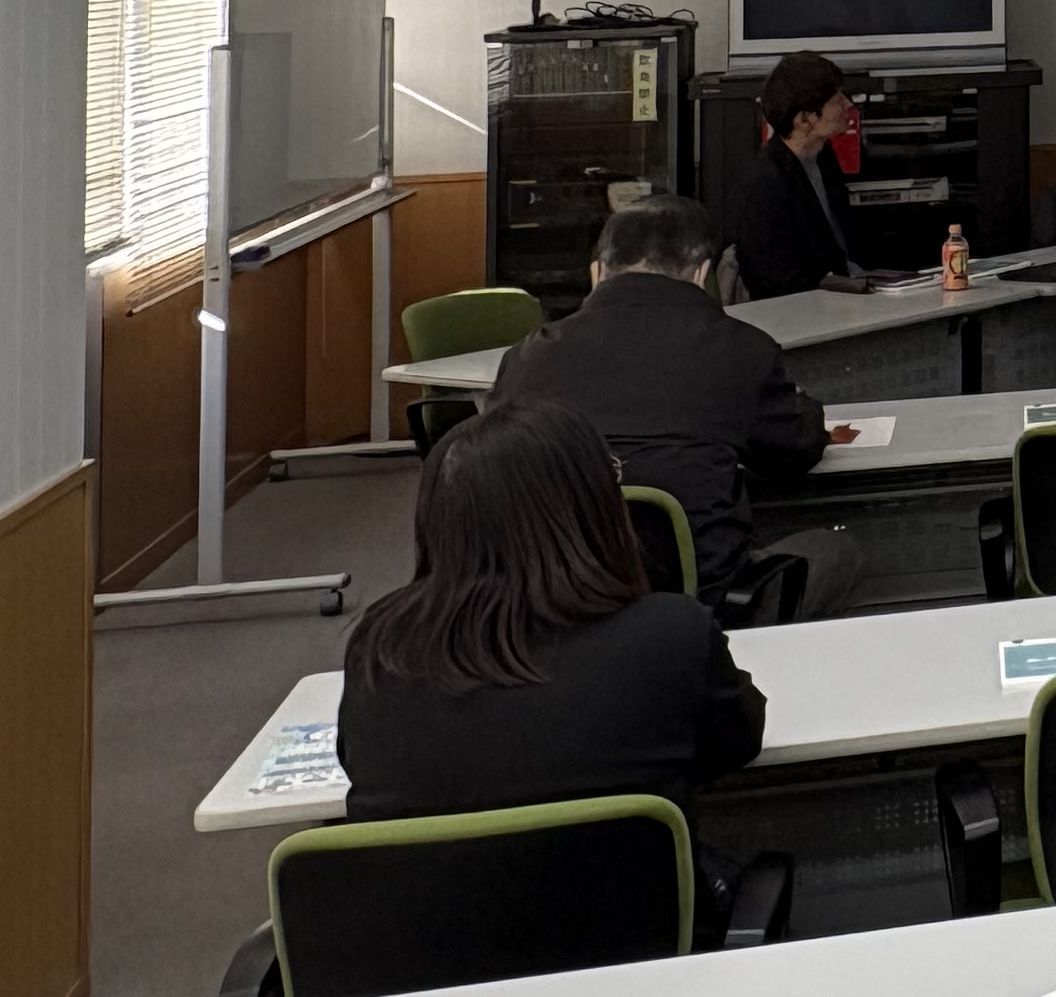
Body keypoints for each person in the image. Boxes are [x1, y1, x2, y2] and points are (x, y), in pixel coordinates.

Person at [335, 396, 766, 821]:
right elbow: (737, 742)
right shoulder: (671, 634)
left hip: (425, 872)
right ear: (595, 505)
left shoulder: (379, 647)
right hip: (616, 869)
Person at [490, 194, 858, 617]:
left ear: (597, 273)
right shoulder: (741, 349)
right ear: (702, 274)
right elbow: (795, 450)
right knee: (835, 550)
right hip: (700, 606)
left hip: (555, 604)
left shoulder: (527, 357)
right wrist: (804, 408)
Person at [716, 52, 888, 299]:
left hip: (849, 288)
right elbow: (776, 282)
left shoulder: (823, 156)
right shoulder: (763, 185)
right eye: (835, 99)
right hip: (810, 305)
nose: (847, 104)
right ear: (804, 119)